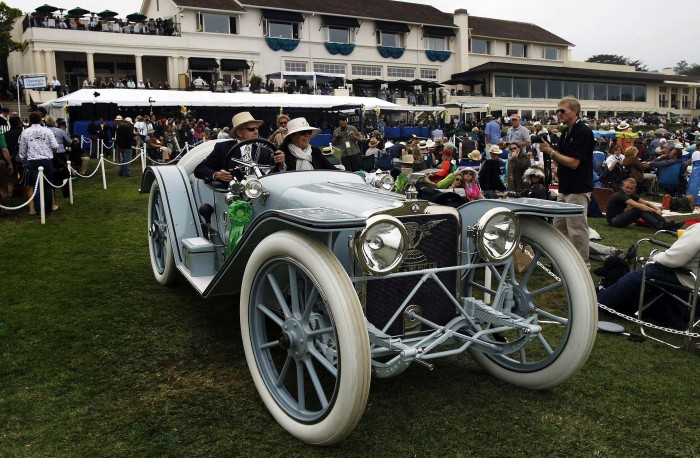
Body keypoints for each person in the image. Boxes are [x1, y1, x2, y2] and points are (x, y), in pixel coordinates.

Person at [597, 222, 699, 328]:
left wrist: (656, 257)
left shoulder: (697, 231)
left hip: (686, 278)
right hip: (693, 278)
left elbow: (673, 260)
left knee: (636, 276)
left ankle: (600, 302)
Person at [540, 96, 594, 267]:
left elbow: (574, 162)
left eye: (562, 110)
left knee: (577, 230)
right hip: (565, 187)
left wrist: (551, 152)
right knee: (559, 228)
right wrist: (555, 163)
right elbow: (563, 159)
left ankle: (582, 265)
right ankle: (561, 262)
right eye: (557, 110)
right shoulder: (565, 132)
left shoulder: (583, 132)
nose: (558, 113)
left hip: (578, 188)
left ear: (575, 111)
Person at [194, 111, 282, 183]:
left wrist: (280, 163)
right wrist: (217, 174)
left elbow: (272, 174)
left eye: (257, 128)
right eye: (251, 129)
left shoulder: (264, 151)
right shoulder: (223, 148)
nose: (256, 132)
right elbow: (199, 169)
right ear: (239, 132)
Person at [18, 111, 59, 215]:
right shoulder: (47, 131)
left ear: (30, 120)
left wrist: (24, 161)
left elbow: (22, 150)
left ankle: (39, 210)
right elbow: (55, 146)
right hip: (46, 160)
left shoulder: (25, 132)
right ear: (41, 120)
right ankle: (48, 209)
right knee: (48, 186)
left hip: (32, 161)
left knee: (35, 186)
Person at [606, 178, 682, 230]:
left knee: (644, 207)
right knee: (639, 209)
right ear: (623, 187)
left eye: (631, 188)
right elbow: (639, 206)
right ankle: (662, 226)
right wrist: (655, 211)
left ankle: (665, 224)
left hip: (618, 218)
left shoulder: (630, 194)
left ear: (634, 188)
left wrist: (657, 209)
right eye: (627, 187)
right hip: (613, 221)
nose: (628, 190)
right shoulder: (621, 195)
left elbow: (646, 203)